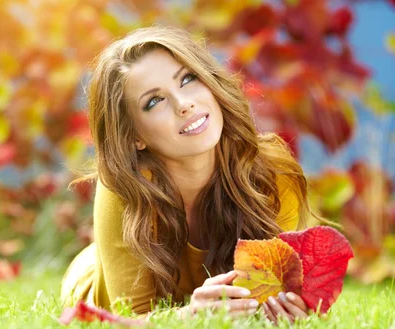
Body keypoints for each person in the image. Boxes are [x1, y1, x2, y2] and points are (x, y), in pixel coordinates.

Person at [61, 25, 313, 323]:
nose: (184, 104)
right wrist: (189, 317)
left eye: (188, 79)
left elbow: (272, 296)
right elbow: (131, 318)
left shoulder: (272, 172)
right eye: (154, 101)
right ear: (134, 136)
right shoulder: (124, 186)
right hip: (94, 280)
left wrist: (287, 307)